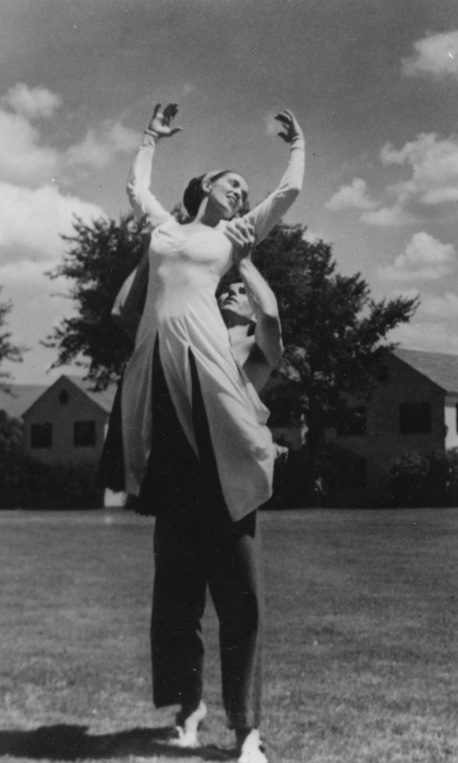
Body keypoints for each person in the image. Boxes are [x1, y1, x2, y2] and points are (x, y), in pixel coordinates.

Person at [118, 103, 305, 763]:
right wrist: (149, 139)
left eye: (245, 194)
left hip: (225, 460)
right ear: (203, 188)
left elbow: (286, 196)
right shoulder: (166, 232)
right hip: (172, 439)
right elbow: (138, 190)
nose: (242, 194)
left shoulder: (235, 256)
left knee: (241, 601)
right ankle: (188, 713)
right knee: (175, 598)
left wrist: (298, 146)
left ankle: (247, 731)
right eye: (232, 186)